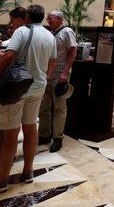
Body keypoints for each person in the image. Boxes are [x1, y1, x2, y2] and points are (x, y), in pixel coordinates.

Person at [0, 5, 56, 193]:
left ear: (27, 17)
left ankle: (2, 180)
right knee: (31, 129)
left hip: (17, 87)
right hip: (37, 87)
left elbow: (9, 56)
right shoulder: (50, 36)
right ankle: (28, 172)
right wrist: (44, 77)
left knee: (10, 135)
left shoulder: (21, 31)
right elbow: (52, 61)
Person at [0, 7, 28, 166]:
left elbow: (10, 55)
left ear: (21, 18)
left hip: (11, 80)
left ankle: (1, 156)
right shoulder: (32, 33)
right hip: (21, 80)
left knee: (5, 119)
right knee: (5, 118)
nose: (11, 24)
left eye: (12, 20)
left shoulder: (21, 33)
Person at [38, 10, 77, 153]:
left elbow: (73, 51)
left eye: (51, 18)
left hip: (60, 75)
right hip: (47, 75)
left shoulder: (67, 32)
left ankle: (58, 138)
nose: (48, 20)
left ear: (60, 19)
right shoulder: (50, 33)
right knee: (44, 107)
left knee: (59, 107)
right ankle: (43, 135)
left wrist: (65, 73)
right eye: (47, 18)